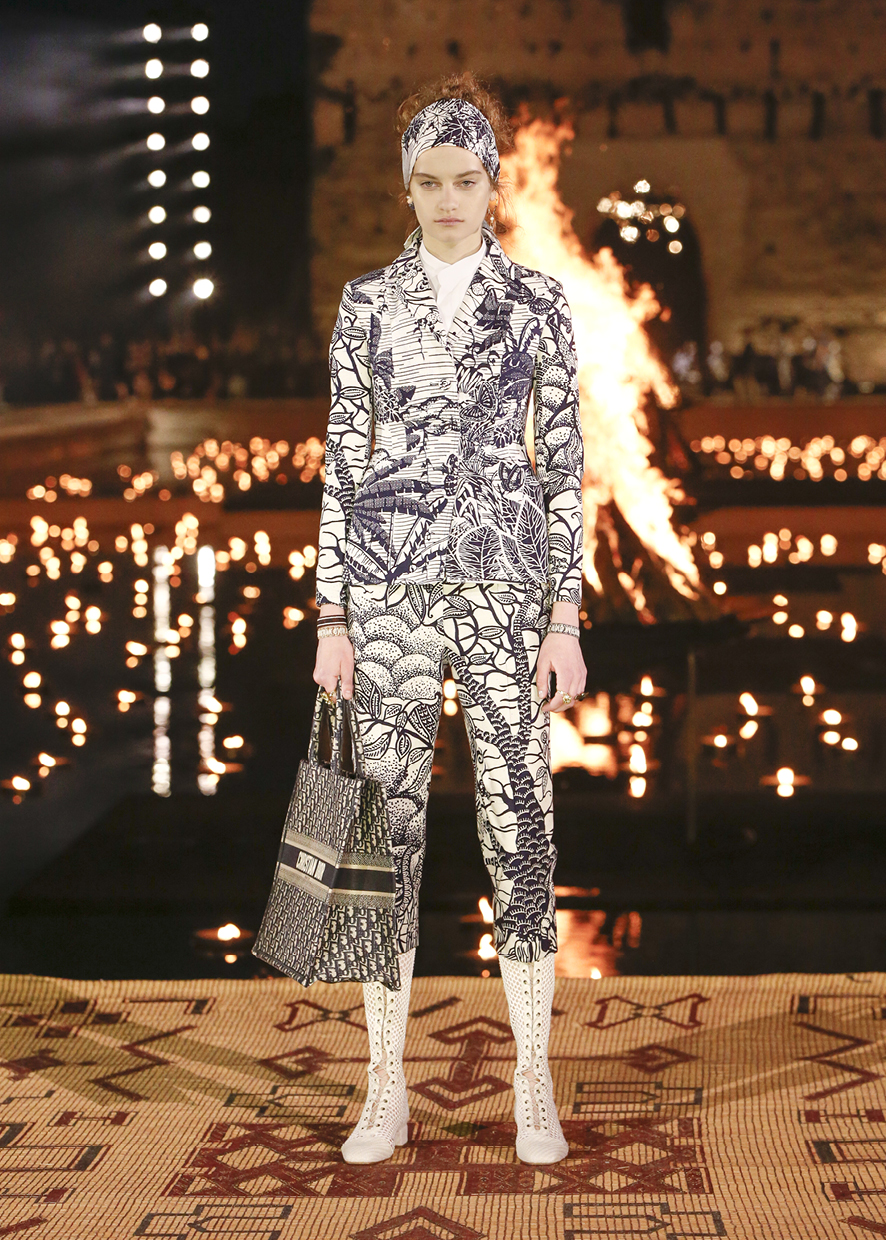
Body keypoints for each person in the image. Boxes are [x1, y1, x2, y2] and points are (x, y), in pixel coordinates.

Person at [312, 71, 586, 1168]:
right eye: (428, 180)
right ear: (406, 185)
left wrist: (565, 616)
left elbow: (563, 462)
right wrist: (330, 615)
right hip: (388, 593)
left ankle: (533, 1081)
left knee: (522, 827)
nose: (447, 198)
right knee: (387, 838)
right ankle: (385, 1087)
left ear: (493, 180)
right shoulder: (367, 304)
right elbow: (343, 458)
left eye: (465, 178)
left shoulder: (539, 303)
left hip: (510, 587)